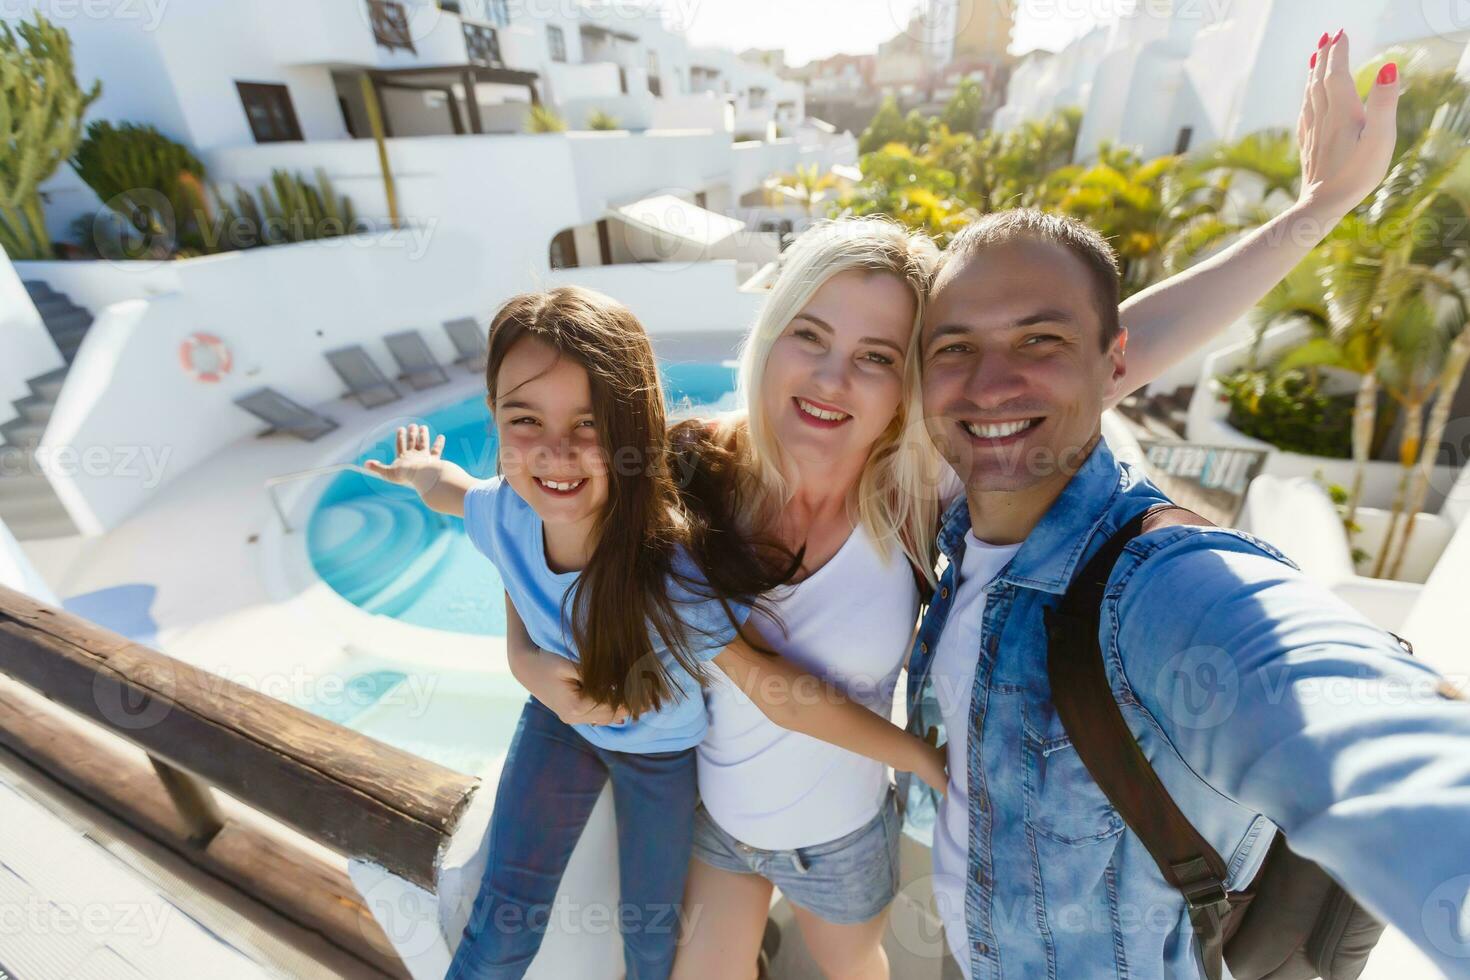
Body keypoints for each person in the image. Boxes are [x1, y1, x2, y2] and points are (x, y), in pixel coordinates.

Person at [672, 28, 1410, 980]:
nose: (830, 378)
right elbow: (553, 532)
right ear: (771, 334)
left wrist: (1319, 212)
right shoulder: (696, 466)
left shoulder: (914, 485)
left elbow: (1104, 353)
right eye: (807, 334)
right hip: (753, 828)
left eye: (879, 357)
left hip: (863, 839)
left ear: (908, 385)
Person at [905, 61, 1470, 979]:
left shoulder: (1164, 588)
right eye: (955, 348)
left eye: (1039, 341)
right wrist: (1314, 211)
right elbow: (1085, 344)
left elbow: (1360, 728)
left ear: (1112, 365)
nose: (992, 382)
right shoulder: (953, 514)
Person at [364, 285, 945, 980]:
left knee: (650, 943)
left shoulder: (669, 574)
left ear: (635, 432)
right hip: (560, 725)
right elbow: (452, 493)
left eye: (588, 425)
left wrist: (916, 755)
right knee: (501, 918)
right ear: (493, 417)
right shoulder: (502, 513)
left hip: (659, 759)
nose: (555, 452)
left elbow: (777, 690)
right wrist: (417, 472)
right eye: (524, 419)